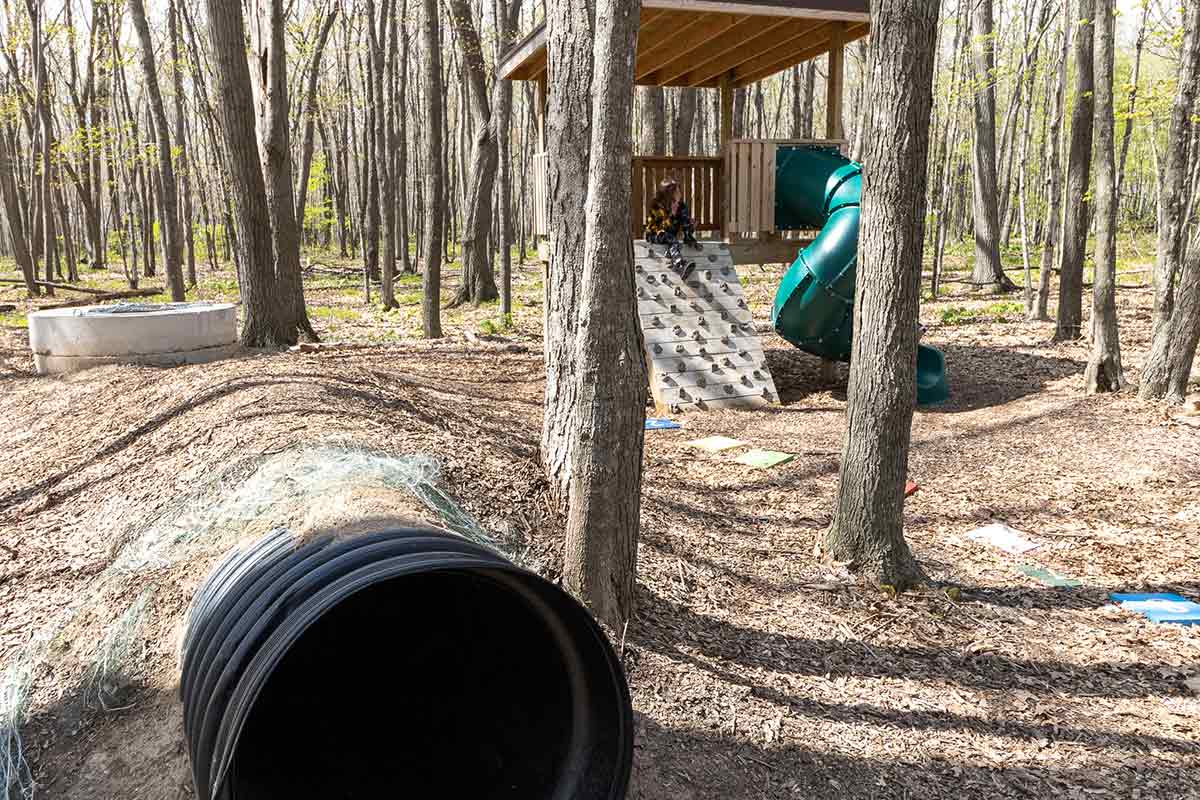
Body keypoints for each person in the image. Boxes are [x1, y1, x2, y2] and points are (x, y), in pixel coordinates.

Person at [644, 179, 700, 280]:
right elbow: (661, 227)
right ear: (670, 194)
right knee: (671, 239)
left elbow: (684, 224)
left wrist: (690, 228)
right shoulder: (657, 206)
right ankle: (679, 265)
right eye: (677, 191)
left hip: (670, 235)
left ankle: (671, 255)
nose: (680, 193)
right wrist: (671, 214)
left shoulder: (682, 206)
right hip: (655, 233)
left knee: (673, 239)